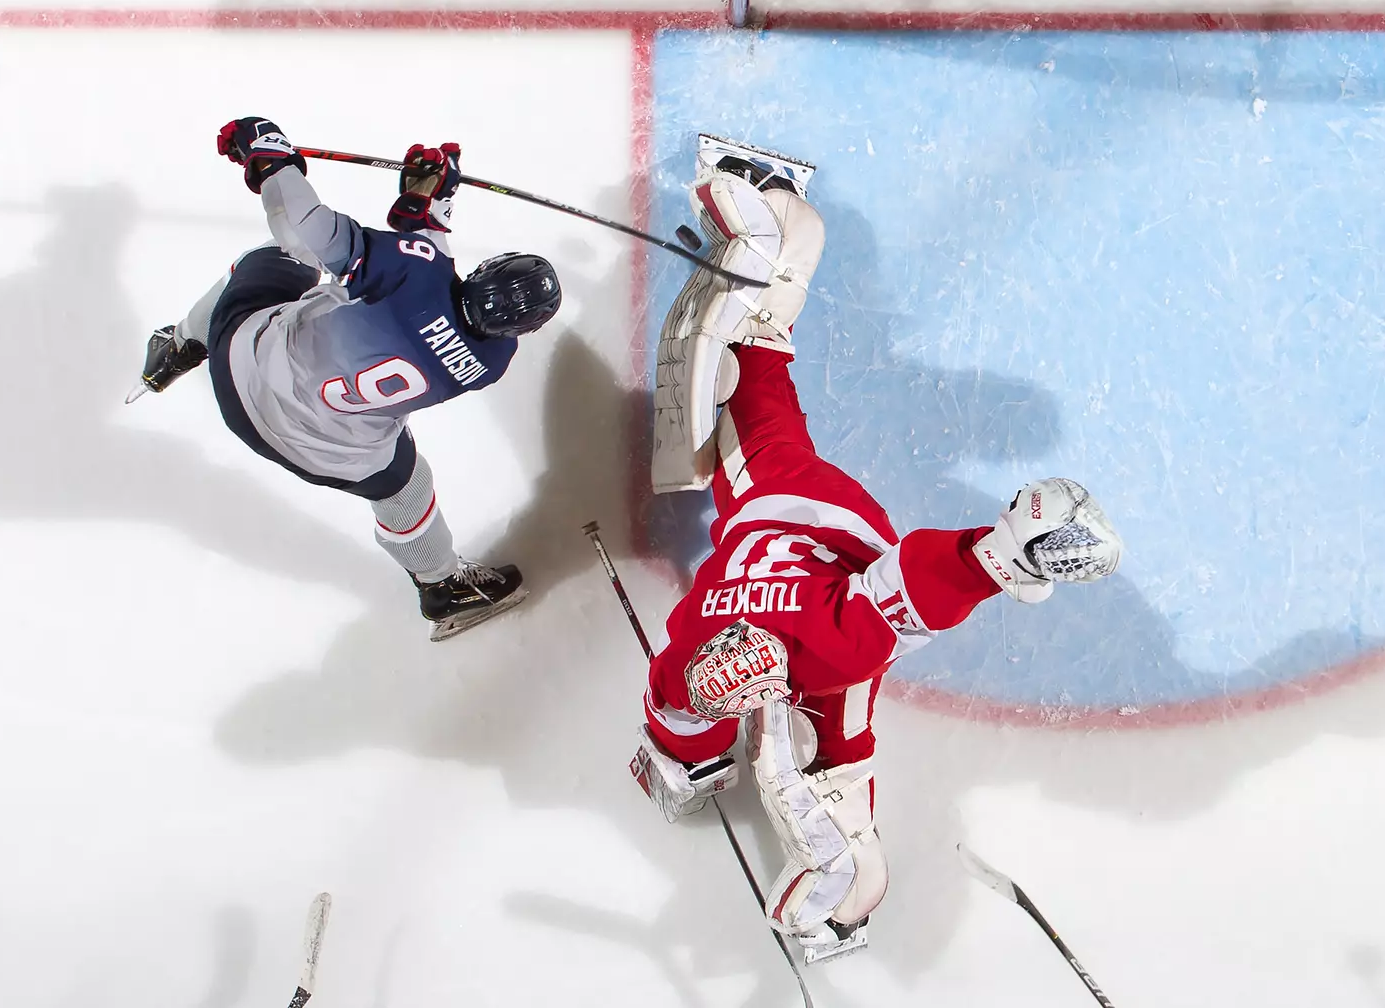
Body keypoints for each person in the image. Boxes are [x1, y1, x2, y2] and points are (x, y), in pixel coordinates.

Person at [632, 147, 1124, 959]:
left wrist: (1003, 557)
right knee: (749, 371)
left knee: (822, 792)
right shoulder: (702, 633)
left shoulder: (809, 645)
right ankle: (776, 235)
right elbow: (674, 705)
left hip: (806, 518)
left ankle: (840, 904)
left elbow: (909, 584)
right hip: (781, 500)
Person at [131, 117, 562, 639]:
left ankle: (178, 346)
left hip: (241, 376)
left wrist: (270, 158)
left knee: (281, 260)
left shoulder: (417, 272)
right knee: (407, 485)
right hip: (332, 455)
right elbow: (425, 279)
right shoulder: (491, 362)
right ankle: (442, 585)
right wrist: (427, 206)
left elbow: (305, 226)